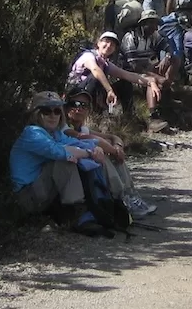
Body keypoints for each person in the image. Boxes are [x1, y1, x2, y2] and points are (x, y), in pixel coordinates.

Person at [9, 91, 108, 235]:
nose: (53, 116)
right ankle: (76, 213)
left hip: (42, 191)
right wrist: (88, 153)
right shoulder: (32, 133)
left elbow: (74, 142)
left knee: (82, 158)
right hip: (26, 196)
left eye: (56, 111)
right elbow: (57, 152)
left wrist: (95, 147)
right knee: (64, 162)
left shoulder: (55, 133)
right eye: (46, 111)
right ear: (37, 114)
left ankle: (107, 201)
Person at [63, 89, 157, 218]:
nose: (79, 109)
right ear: (66, 107)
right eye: (75, 104)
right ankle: (122, 199)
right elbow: (89, 139)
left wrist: (117, 146)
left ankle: (130, 196)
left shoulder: (83, 128)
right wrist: (113, 150)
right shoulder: (64, 129)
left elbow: (112, 137)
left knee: (110, 153)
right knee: (103, 155)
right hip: (72, 170)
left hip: (84, 166)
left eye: (84, 105)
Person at [66, 31, 164, 114]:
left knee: (125, 84)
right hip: (76, 93)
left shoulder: (106, 64)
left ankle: (129, 118)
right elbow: (95, 70)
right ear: (99, 43)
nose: (109, 46)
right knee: (96, 77)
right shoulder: (88, 55)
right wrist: (109, 90)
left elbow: (127, 75)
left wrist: (150, 82)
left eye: (112, 44)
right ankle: (88, 111)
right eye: (106, 41)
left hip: (94, 94)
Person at [120, 9, 179, 131]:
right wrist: (158, 77)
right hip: (130, 74)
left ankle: (166, 89)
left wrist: (167, 56)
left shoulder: (154, 36)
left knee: (175, 59)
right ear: (143, 23)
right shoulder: (130, 37)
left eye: (155, 23)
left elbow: (168, 48)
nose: (154, 26)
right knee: (151, 80)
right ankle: (153, 116)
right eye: (151, 23)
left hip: (148, 68)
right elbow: (134, 66)